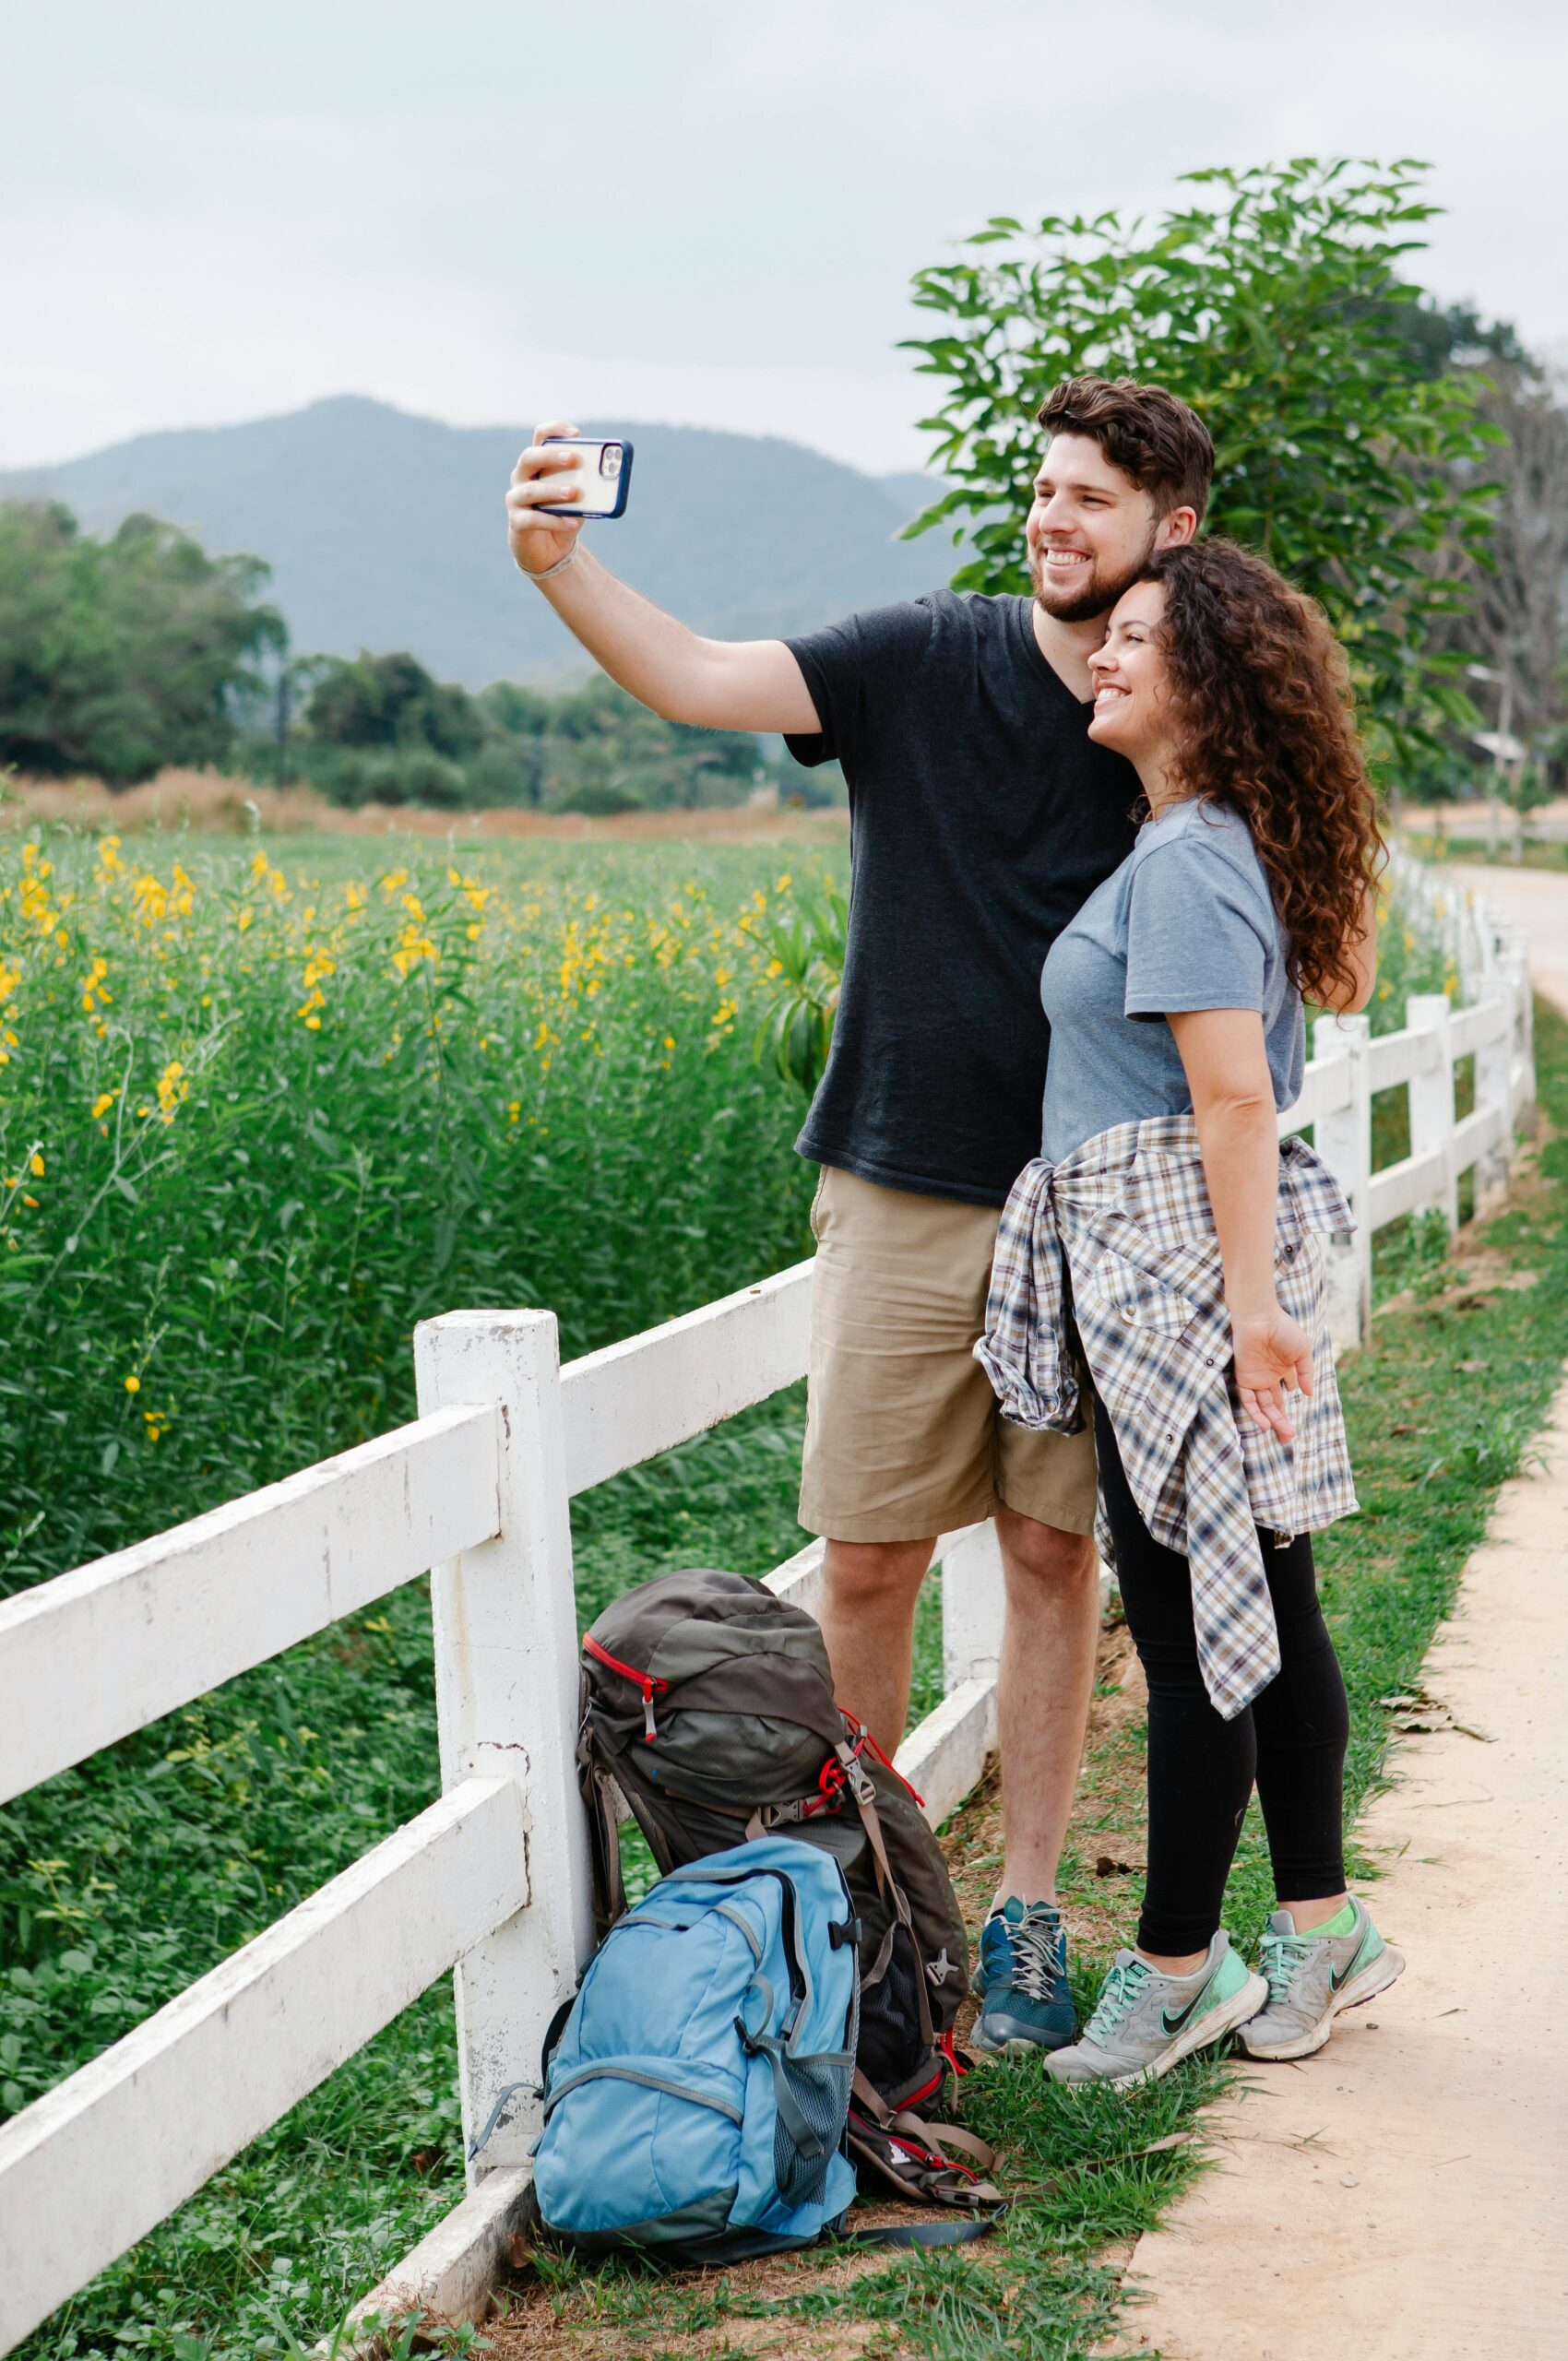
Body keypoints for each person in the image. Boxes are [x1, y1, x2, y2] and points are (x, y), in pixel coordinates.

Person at [505, 377, 1213, 2053]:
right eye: (1044, 490)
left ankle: (1026, 1911)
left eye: (1092, 500)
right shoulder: (922, 653)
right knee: (873, 1557)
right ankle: (869, 1912)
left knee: (1054, 1556)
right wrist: (555, 566)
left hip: (1091, 1195)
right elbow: (699, 680)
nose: (1053, 520)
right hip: (900, 1172)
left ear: (1169, 531)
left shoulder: (1182, 704)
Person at [976, 537, 1404, 2084]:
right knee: (1268, 1606)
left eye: (1139, 639)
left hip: (1177, 1274)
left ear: (1208, 687)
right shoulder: (1206, 844)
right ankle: (1321, 1926)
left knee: (1190, 1625)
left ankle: (1176, 1970)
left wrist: (1247, 1315)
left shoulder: (1187, 862)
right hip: (1168, 1268)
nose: (1104, 654)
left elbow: (1231, 1102)